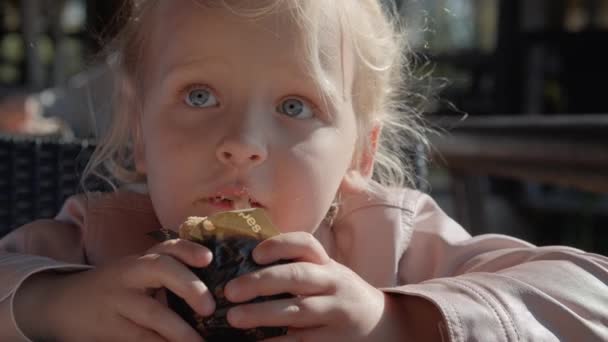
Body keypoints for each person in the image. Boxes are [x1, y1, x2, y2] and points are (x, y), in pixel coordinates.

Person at [1, 1, 606, 341]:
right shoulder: (96, 241)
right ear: (139, 134)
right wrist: (51, 304)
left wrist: (395, 321)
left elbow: (590, 299)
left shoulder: (392, 244)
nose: (240, 144)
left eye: (295, 107)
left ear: (358, 156)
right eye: (199, 97)